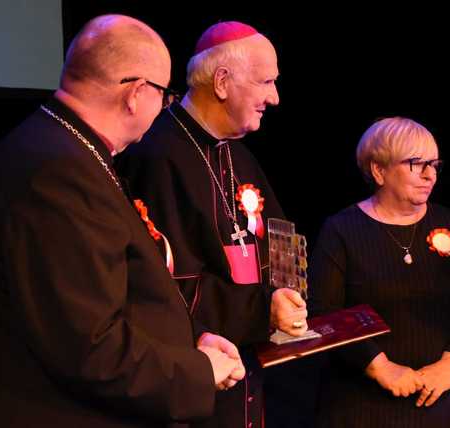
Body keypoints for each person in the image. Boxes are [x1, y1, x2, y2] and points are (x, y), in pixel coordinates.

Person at [0, 15, 245, 428]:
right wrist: (196, 371)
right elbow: (87, 346)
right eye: (165, 94)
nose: (165, 105)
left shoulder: (68, 151)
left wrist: (191, 336)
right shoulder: (56, 173)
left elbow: (115, 288)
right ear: (137, 93)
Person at [116, 21, 308, 428]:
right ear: (222, 81)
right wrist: (263, 309)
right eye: (265, 82)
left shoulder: (240, 156)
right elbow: (164, 286)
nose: (274, 97)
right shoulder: (158, 155)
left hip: (248, 371)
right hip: (194, 378)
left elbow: (279, 236)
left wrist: (288, 289)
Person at [309, 117, 450, 427]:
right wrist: (380, 367)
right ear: (379, 171)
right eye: (415, 163)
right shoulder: (341, 230)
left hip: (440, 403)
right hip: (359, 407)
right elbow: (323, 311)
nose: (429, 174)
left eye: (434, 164)